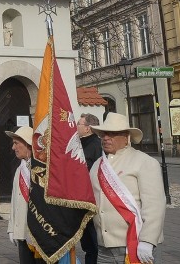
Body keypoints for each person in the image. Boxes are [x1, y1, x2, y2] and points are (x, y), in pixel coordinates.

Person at [89, 113, 165, 264]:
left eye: (112, 134)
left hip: (136, 245)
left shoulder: (144, 162)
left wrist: (148, 241)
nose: (105, 138)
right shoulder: (97, 164)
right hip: (104, 247)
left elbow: (155, 206)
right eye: (104, 134)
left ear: (126, 137)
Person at [5, 126, 36, 264]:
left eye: (16, 143)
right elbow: (15, 200)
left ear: (28, 144)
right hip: (22, 231)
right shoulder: (20, 168)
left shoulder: (39, 169)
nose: (13, 148)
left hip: (37, 233)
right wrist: (12, 227)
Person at [77, 113, 102, 264]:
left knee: (95, 243)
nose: (76, 127)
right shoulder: (79, 144)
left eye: (79, 124)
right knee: (87, 245)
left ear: (87, 128)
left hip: (92, 200)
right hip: (81, 200)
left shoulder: (96, 145)